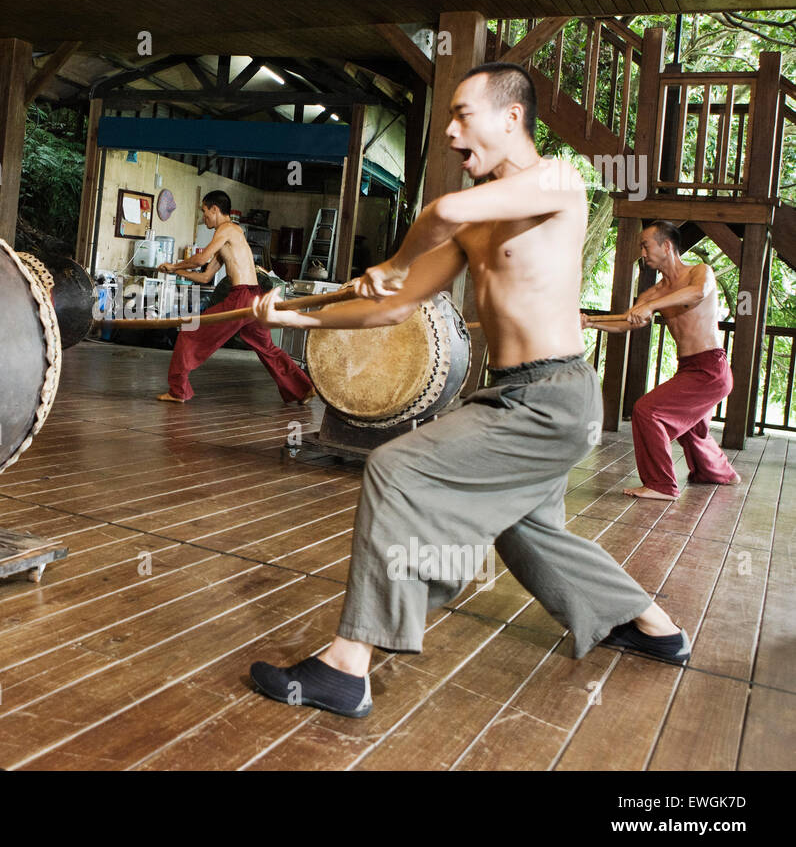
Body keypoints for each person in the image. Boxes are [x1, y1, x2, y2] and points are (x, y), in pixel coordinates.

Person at [247, 62, 691, 720]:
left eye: (462, 115)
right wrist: (294, 316)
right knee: (528, 532)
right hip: (512, 394)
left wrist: (395, 258)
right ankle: (654, 625)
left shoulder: (557, 181)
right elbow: (391, 308)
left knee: (397, 469)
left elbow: (441, 211)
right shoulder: (474, 225)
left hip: (552, 397)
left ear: (512, 116)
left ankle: (347, 666)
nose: (451, 134)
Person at [584, 221, 740, 500]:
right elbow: (627, 322)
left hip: (711, 368)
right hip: (689, 369)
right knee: (693, 429)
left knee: (647, 411)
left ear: (666, 246)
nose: (642, 252)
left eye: (646, 245)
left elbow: (697, 294)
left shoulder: (698, 272)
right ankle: (720, 473)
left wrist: (651, 306)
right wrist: (590, 322)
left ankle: (661, 485)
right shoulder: (655, 292)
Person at [157, 190, 315, 405]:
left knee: (188, 331)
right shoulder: (230, 237)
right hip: (253, 297)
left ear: (215, 209)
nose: (204, 218)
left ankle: (178, 391)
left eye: (205, 212)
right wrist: (176, 272)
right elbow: (205, 277)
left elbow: (201, 258)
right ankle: (303, 389)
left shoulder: (227, 229)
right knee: (267, 348)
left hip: (241, 297)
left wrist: (175, 264)